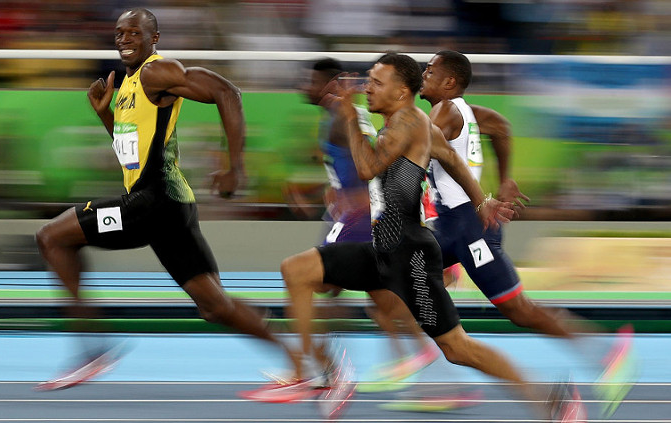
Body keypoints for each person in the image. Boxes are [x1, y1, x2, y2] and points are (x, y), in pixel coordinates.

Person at [246, 52, 586, 422]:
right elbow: (454, 162)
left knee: (458, 349)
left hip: (411, 258)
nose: (367, 89)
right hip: (382, 250)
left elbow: (366, 167)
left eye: (377, 83)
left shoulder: (408, 123)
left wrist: (350, 120)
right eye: (369, 81)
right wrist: (483, 200)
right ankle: (318, 375)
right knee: (296, 270)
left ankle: (554, 401)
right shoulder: (415, 124)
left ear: (402, 91)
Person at [34, 7, 301, 390]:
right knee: (215, 307)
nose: (124, 39)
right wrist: (105, 116)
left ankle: (92, 349)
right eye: (119, 33)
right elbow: (133, 153)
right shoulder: (125, 86)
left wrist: (234, 166)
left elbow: (228, 92)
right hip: (167, 208)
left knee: (51, 237)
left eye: (134, 33)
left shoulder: (156, 72)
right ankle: (302, 364)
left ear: (153, 38)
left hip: (153, 202)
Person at [420, 50, 635, 417]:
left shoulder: (443, 112)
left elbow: (419, 153)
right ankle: (444, 376)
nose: (423, 74)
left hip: (471, 230)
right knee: (406, 277)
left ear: (449, 82)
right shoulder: (469, 113)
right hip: (451, 227)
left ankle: (607, 354)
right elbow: (502, 127)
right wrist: (506, 181)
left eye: (430, 70)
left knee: (518, 310)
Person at [297, 58, 439, 387]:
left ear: (331, 84)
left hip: (359, 217)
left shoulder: (342, 118)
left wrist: (361, 199)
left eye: (312, 80)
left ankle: (321, 366)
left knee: (317, 281)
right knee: (374, 295)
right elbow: (348, 167)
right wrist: (327, 190)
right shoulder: (335, 117)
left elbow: (372, 163)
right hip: (353, 214)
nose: (304, 86)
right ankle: (413, 353)